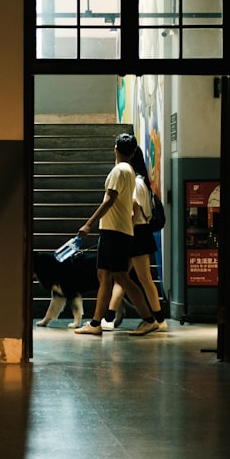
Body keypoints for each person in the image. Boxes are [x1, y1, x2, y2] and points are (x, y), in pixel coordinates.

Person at [73, 133, 157, 335]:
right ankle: (95, 324)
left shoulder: (119, 170)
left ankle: (149, 319)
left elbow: (109, 200)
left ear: (115, 149)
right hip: (113, 230)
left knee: (122, 277)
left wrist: (88, 224)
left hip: (116, 231)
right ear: (134, 152)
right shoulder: (128, 170)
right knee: (104, 275)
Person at [100, 146, 167, 335]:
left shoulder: (135, 182)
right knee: (125, 277)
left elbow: (134, 207)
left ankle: (155, 319)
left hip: (135, 231)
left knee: (132, 277)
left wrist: (124, 229)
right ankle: (111, 317)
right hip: (140, 232)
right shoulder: (142, 181)